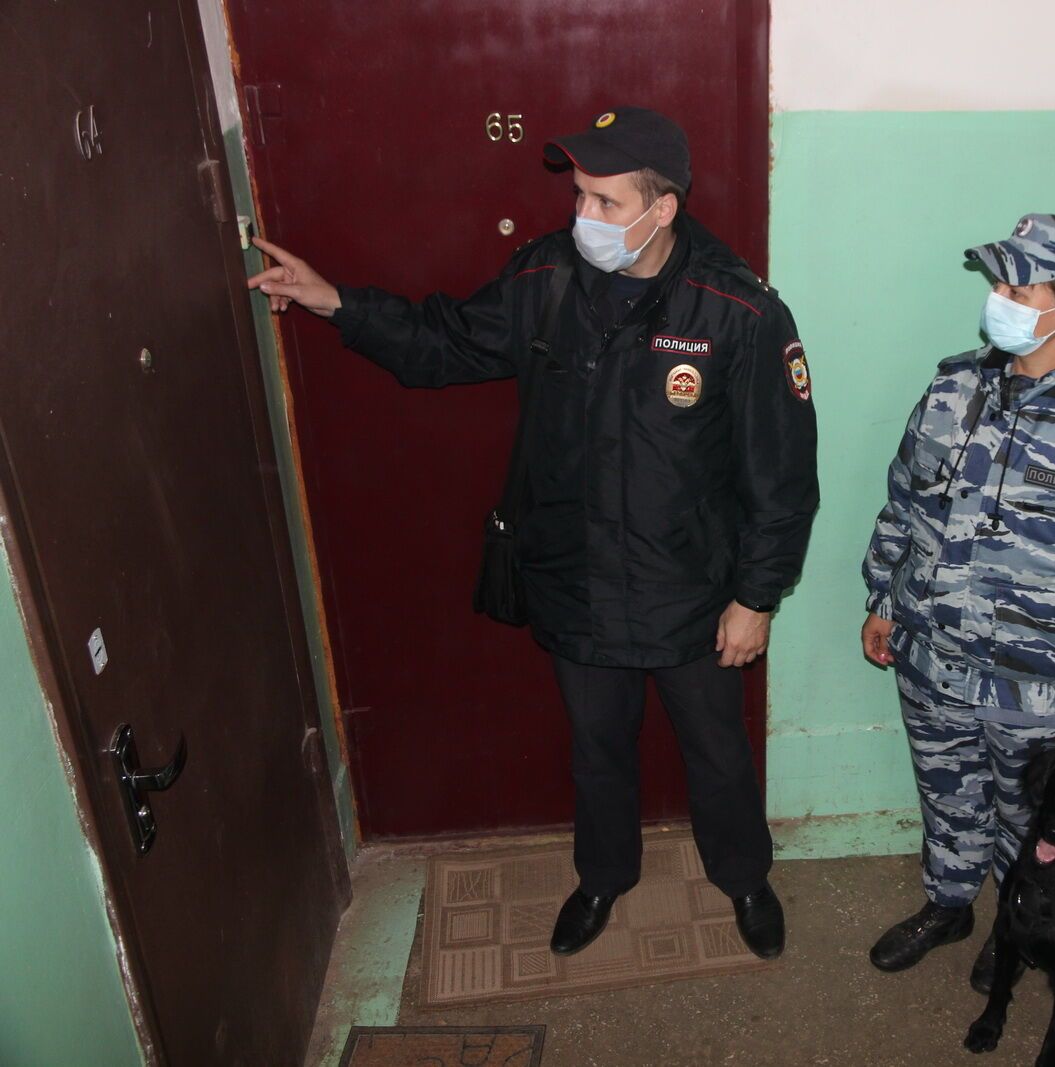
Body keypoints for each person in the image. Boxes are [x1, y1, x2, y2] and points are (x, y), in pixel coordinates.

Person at [248, 107, 818, 961]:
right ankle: (602, 878)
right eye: (579, 196)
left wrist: (756, 597)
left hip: (692, 588)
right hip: (575, 575)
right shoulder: (546, 276)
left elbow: (783, 474)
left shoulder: (737, 308)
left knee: (717, 750)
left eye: (605, 201)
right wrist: (335, 302)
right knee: (596, 749)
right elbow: (444, 343)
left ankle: (743, 878)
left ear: (663, 208)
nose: (583, 216)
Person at [859, 215, 1055, 992]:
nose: (998, 299)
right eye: (998, 283)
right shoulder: (954, 389)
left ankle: (1013, 926)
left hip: (1036, 683)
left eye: (1019, 288)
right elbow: (906, 501)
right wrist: (883, 595)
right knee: (947, 793)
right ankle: (949, 903)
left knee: (1027, 820)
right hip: (932, 652)